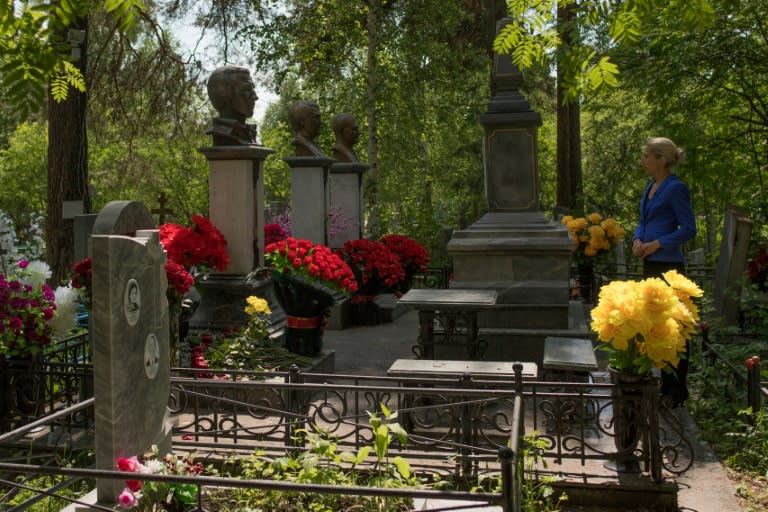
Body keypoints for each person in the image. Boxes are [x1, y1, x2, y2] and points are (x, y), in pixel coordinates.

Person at [632, 136, 696, 408]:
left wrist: (657, 244)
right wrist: (637, 240)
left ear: (661, 159)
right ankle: (662, 383)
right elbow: (643, 222)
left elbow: (688, 229)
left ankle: (676, 390)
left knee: (675, 326)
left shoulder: (676, 188)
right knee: (656, 326)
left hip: (669, 267)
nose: (642, 160)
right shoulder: (650, 186)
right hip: (649, 263)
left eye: (647, 155)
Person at [205, 65, 258, 145]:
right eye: (246, 89)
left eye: (252, 89)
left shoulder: (249, 133)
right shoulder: (222, 134)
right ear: (225, 94)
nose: (255, 97)